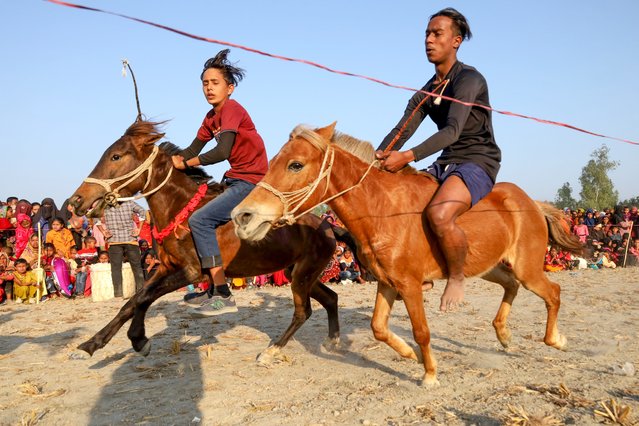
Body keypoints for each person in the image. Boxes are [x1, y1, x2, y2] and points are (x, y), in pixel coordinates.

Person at [375, 8, 501, 311]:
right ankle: (423, 272)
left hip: (477, 160)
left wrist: (407, 156)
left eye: (437, 34)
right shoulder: (426, 91)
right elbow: (399, 132)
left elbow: (453, 131)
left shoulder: (469, 79)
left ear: (456, 41)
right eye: (426, 34)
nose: (429, 40)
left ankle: (456, 277)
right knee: (406, 206)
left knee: (440, 215)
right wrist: (374, 162)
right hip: (445, 163)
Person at [172, 49, 268, 316]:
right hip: (234, 179)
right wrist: (168, 158)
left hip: (251, 182)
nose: (209, 88)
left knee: (200, 220)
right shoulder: (210, 117)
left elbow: (221, 152)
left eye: (215, 83)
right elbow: (192, 150)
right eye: (205, 83)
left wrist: (186, 164)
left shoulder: (232, 110)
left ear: (230, 88)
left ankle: (223, 293)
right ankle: (212, 288)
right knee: (192, 210)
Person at [97, 200, 146, 297]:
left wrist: (103, 231)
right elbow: (142, 211)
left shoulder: (105, 204)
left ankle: (118, 294)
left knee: (116, 268)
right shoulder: (129, 202)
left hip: (114, 240)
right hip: (130, 239)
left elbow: (95, 215)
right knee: (136, 267)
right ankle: (141, 292)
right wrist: (139, 228)